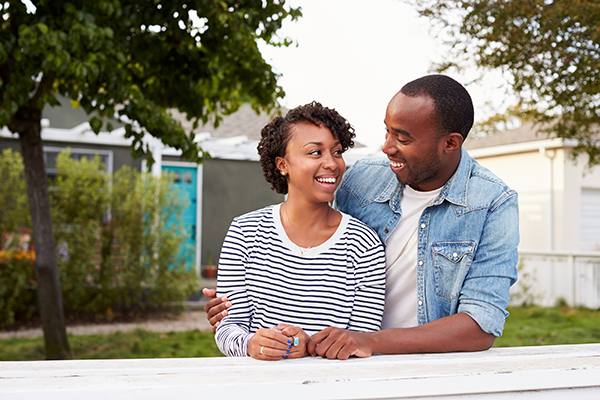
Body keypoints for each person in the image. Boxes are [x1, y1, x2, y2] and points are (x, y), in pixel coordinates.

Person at [204, 74, 519, 359]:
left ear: (450, 143)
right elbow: (313, 243)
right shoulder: (362, 179)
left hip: (423, 363)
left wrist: (367, 341)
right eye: (387, 131)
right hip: (345, 357)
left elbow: (481, 324)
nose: (386, 147)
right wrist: (234, 319)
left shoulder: (492, 203)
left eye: (403, 138)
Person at [213, 101, 386, 360]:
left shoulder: (363, 244)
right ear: (283, 164)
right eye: (315, 152)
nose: (332, 163)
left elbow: (361, 339)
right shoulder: (245, 232)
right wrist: (251, 344)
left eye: (337, 152)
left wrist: (308, 345)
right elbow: (227, 328)